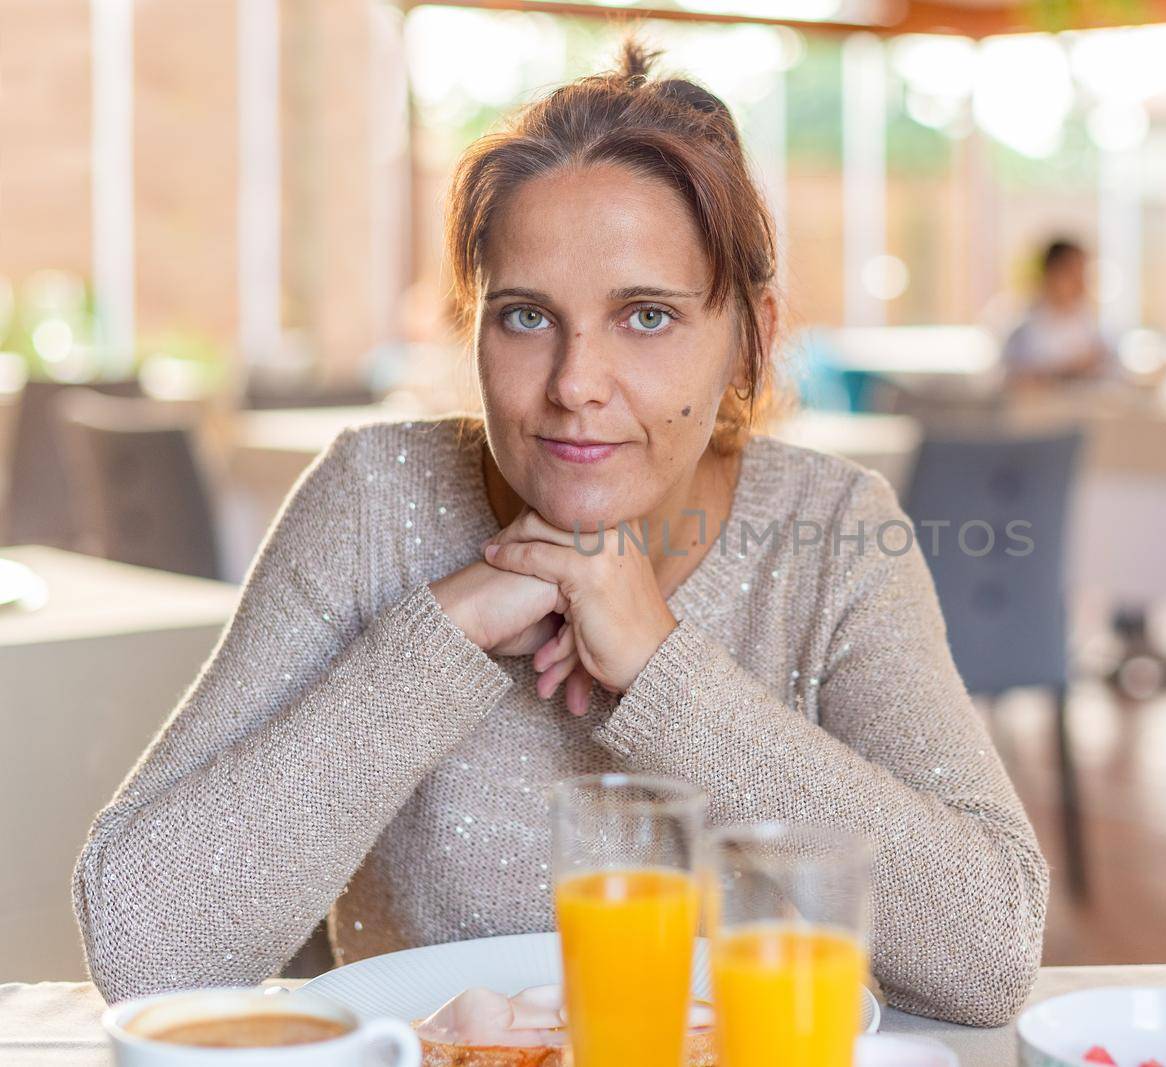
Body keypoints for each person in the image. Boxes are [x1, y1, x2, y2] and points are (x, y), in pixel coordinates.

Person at [71, 39, 1047, 1028]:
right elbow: (147, 948)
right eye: (527, 316)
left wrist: (664, 674)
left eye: (648, 316)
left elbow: (991, 953)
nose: (576, 381)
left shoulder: (829, 530)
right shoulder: (375, 500)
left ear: (749, 336)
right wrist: (440, 634)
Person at [1000, 239, 1112, 384]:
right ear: (1052, 273)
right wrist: (1070, 369)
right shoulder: (1023, 331)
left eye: (1082, 274)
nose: (1080, 284)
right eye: (1073, 273)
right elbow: (1018, 381)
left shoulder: (1088, 325)